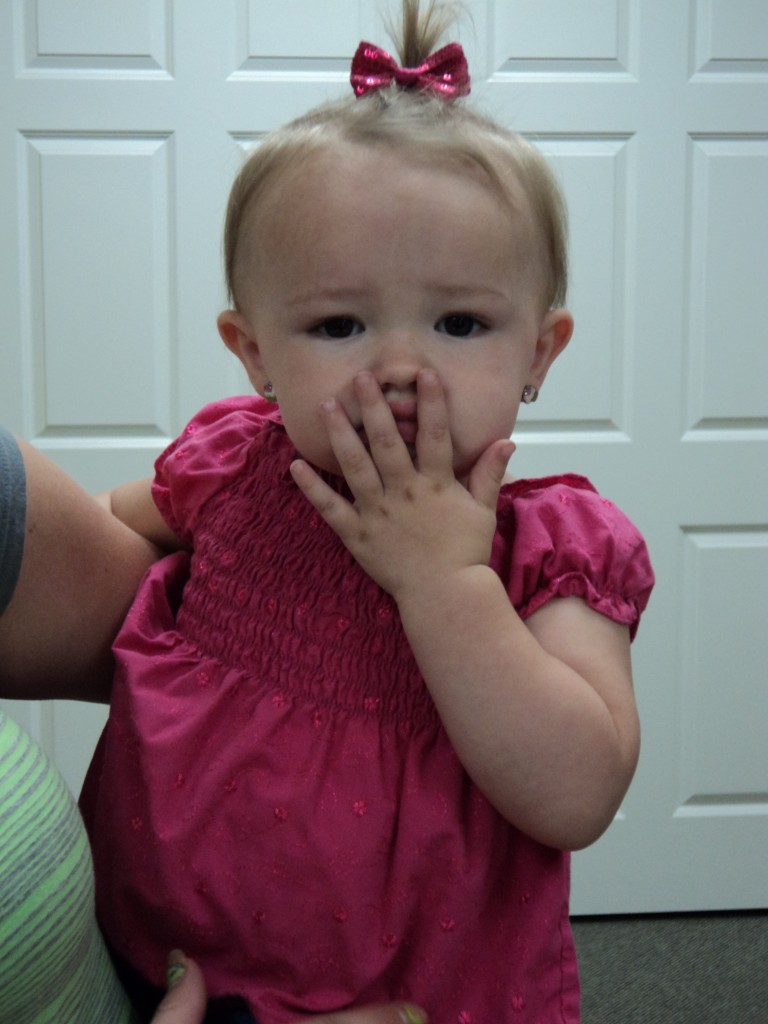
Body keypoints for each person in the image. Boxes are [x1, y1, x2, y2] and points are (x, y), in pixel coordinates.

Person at [77, 1, 651, 1020]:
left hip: (418, 996)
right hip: (156, 959)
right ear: (254, 352)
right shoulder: (232, 466)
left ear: (539, 352)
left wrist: (445, 582)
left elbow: (577, 793)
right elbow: (97, 536)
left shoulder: (551, 548)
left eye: (460, 322)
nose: (397, 365)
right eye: (339, 324)